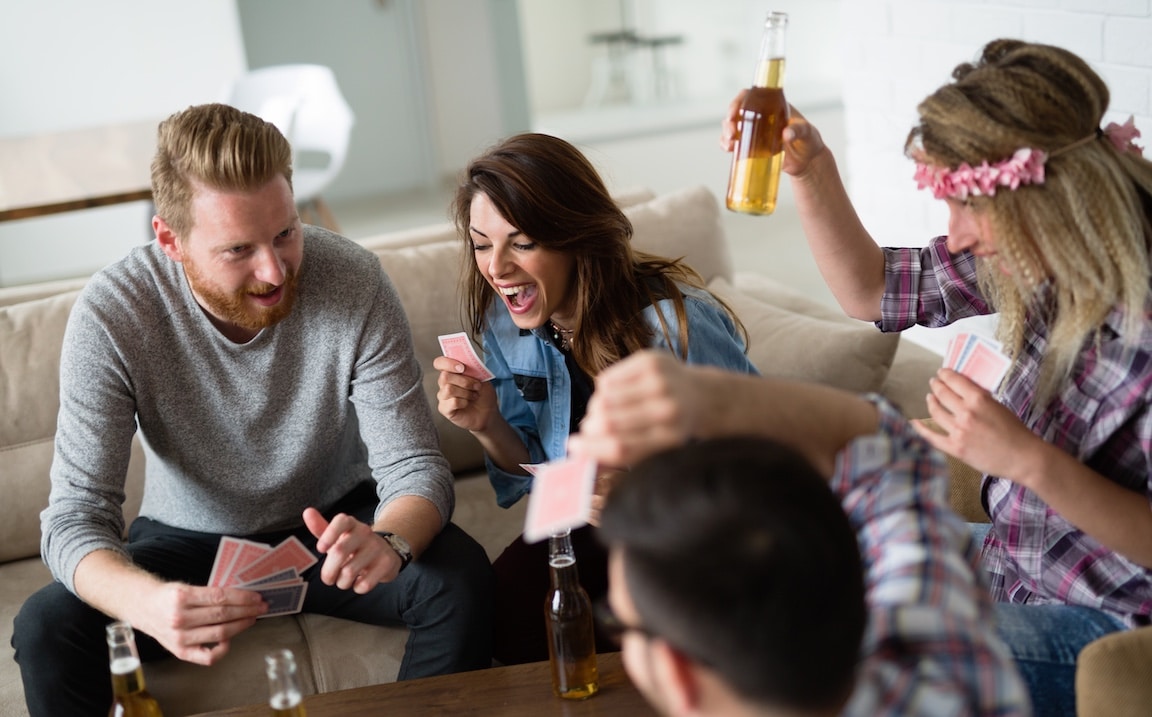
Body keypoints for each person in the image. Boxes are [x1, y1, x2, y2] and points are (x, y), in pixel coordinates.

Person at [11, 103, 493, 716]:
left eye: (286, 233)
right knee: (46, 625)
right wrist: (148, 605)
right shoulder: (112, 315)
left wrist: (392, 539)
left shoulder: (354, 279)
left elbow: (415, 466)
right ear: (170, 241)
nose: (274, 271)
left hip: (335, 524)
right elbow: (74, 518)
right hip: (185, 540)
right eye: (238, 249)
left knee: (461, 578)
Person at [722, 39, 1152, 715]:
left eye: (966, 207)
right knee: (803, 565)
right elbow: (872, 291)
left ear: (1044, 195)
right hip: (1016, 565)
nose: (952, 237)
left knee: (841, 647)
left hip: (1106, 627)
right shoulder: (1037, 250)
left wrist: (1025, 459)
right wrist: (812, 172)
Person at [433, 132, 758, 664]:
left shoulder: (677, 326)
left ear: (575, 236)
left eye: (522, 242)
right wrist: (485, 422)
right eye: (482, 243)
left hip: (696, 536)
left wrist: (648, 488)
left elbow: (765, 466)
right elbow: (528, 476)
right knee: (501, 604)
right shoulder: (504, 325)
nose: (496, 268)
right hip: (587, 529)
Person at [568, 350, 1030, 716]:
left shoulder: (936, 643)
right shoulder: (948, 670)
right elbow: (893, 456)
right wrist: (712, 395)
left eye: (617, 620)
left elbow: (892, 456)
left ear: (676, 674)